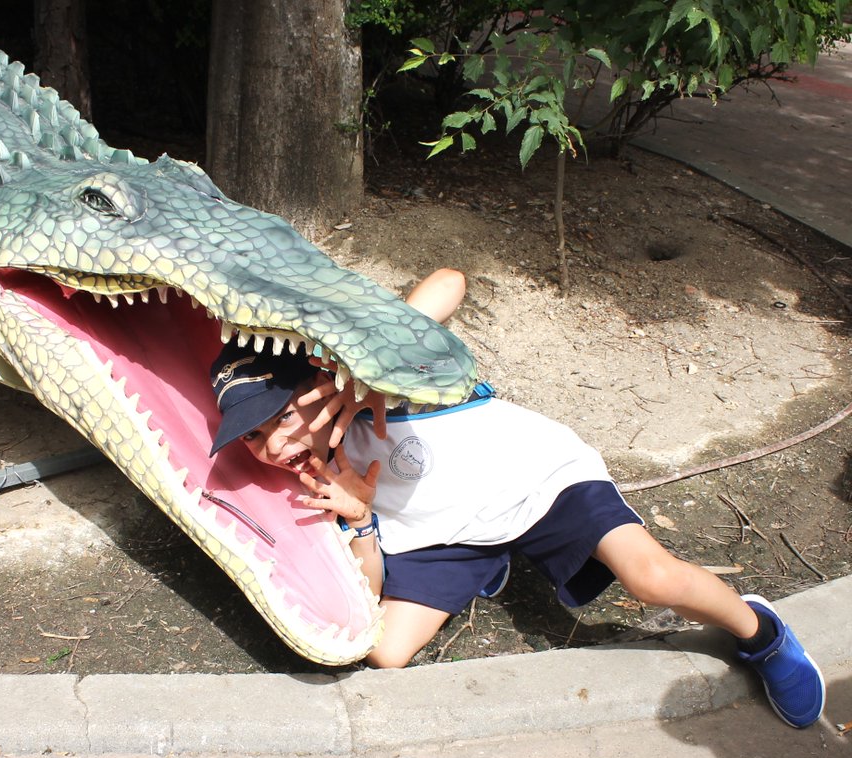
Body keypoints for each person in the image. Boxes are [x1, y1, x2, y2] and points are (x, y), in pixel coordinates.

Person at [208, 268, 827, 729]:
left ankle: (760, 631)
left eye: (280, 417)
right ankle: (491, 561)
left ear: (315, 390)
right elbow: (364, 588)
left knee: (655, 580)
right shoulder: (312, 479)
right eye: (254, 436)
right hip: (444, 533)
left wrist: (366, 364)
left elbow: (450, 281)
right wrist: (362, 521)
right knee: (385, 651)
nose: (271, 444)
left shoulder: (384, 383)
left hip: (537, 483)